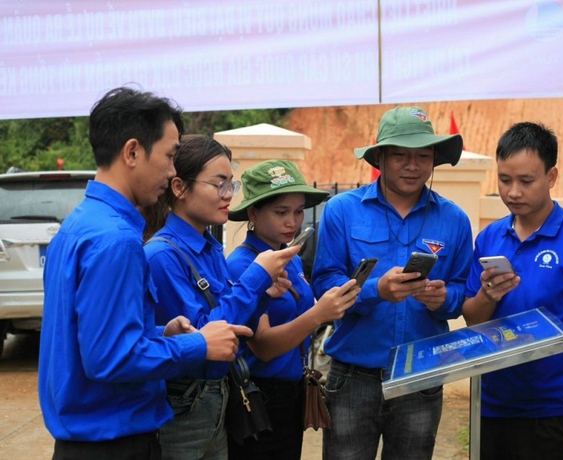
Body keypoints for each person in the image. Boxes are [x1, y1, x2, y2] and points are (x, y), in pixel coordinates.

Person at [38, 86, 252, 460]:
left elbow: (89, 335)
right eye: (169, 156)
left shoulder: (80, 224)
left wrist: (158, 332)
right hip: (114, 444)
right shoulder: (118, 240)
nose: (172, 172)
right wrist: (199, 344)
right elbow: (110, 358)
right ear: (133, 152)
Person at [311, 106, 473, 460]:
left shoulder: (454, 220)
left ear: (434, 160)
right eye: (400, 155)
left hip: (422, 376)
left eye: (422, 156)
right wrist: (375, 292)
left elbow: (464, 291)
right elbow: (324, 283)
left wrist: (443, 298)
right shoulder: (342, 210)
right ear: (380, 157)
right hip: (354, 376)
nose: (412, 165)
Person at [462, 122, 563, 460]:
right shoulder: (489, 239)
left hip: (557, 410)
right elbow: (473, 321)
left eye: (526, 181)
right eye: (505, 180)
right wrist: (487, 296)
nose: (513, 192)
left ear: (551, 177)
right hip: (492, 404)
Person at [142, 137, 301, 460]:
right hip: (185, 404)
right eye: (219, 184)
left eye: (231, 183)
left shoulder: (209, 247)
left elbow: (233, 325)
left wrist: (262, 295)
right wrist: (256, 277)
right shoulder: (162, 256)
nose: (229, 194)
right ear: (179, 187)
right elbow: (203, 340)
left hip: (218, 397)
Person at [225, 160, 360, 460]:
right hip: (258, 396)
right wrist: (319, 314)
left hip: (292, 393)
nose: (293, 221)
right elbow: (263, 346)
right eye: (281, 212)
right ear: (253, 213)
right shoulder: (243, 265)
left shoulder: (290, 257)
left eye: (299, 211)